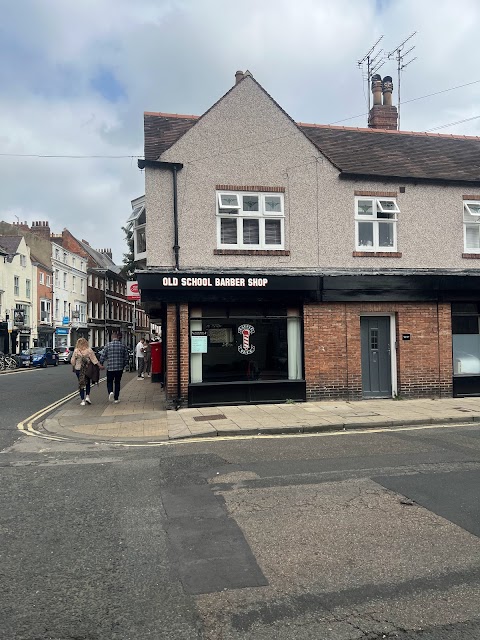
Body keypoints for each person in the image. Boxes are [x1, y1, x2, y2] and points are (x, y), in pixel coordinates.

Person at [71, 338, 103, 406]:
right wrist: (100, 366)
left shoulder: (76, 351)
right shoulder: (89, 350)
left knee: (81, 384)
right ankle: (87, 397)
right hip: (87, 369)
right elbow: (94, 360)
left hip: (78, 369)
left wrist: (74, 366)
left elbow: (72, 361)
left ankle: (82, 400)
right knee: (88, 383)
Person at [100, 332, 129, 403]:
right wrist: (123, 365)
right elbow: (126, 357)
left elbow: (102, 356)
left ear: (112, 337)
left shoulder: (107, 345)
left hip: (110, 368)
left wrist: (101, 363)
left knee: (109, 381)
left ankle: (110, 392)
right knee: (117, 382)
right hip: (119, 368)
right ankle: (116, 398)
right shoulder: (122, 345)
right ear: (117, 337)